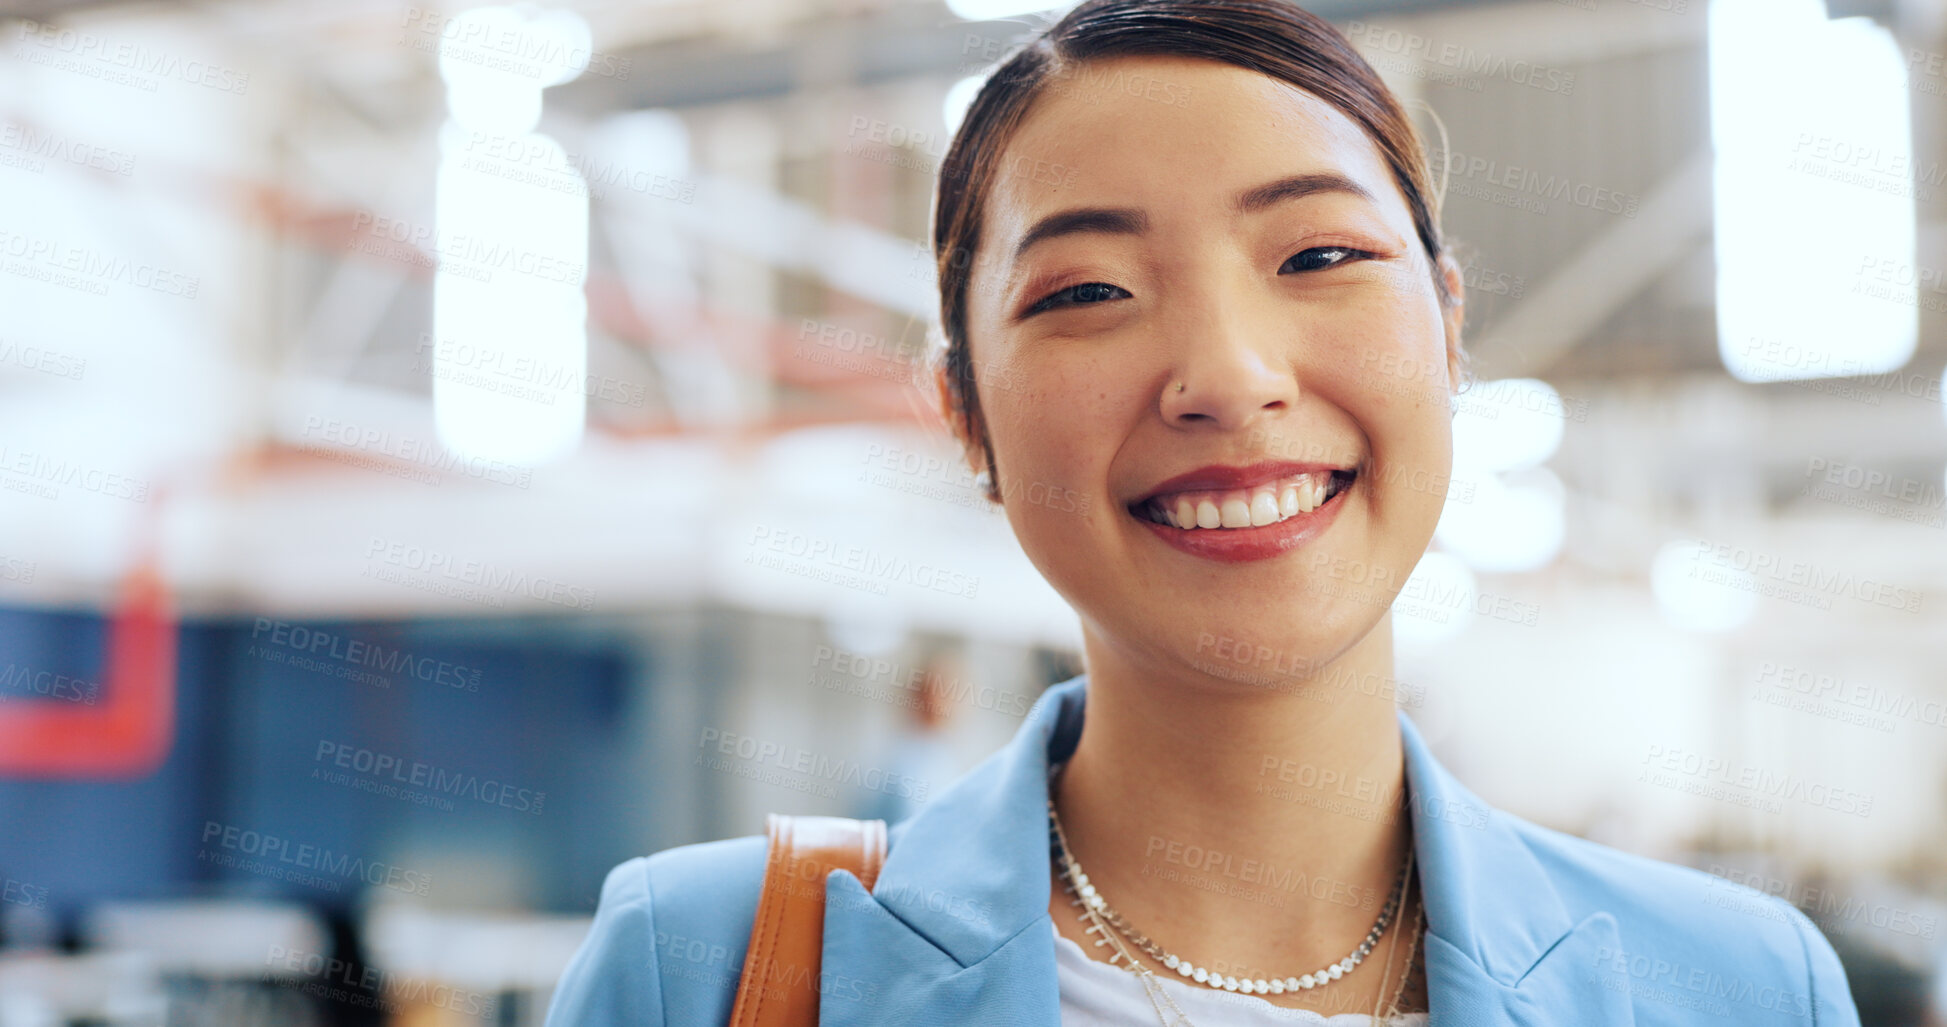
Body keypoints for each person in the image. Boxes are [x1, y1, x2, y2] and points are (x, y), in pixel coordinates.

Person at [545, 0, 1862, 1023]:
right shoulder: (701, 971)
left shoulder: (1739, 990)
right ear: (967, 418)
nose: (1229, 378)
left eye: (1320, 256)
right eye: (1085, 292)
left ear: (1448, 332)